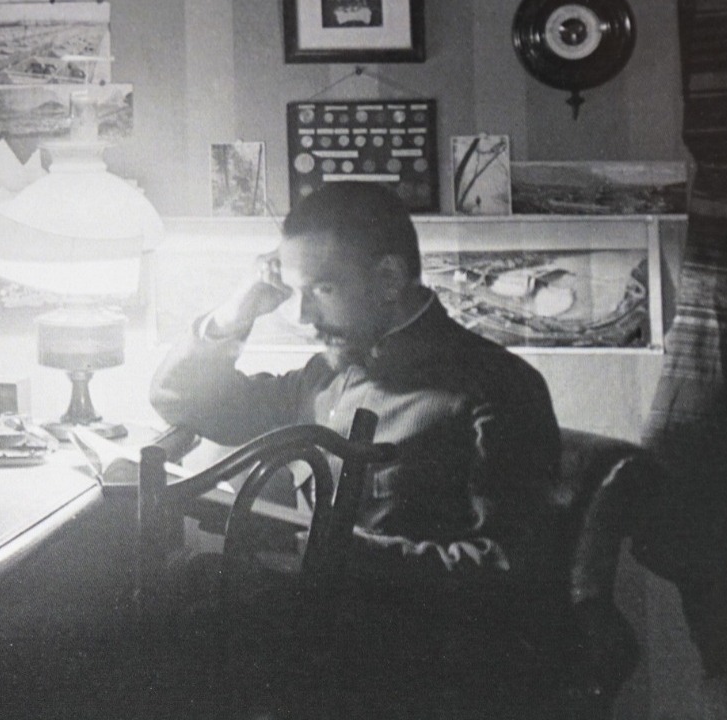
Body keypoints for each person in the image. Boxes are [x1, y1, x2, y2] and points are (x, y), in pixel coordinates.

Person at [149, 182, 564, 718]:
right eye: (296, 292)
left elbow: (510, 567)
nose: (303, 316)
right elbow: (180, 399)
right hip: (323, 645)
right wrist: (233, 316)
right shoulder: (328, 375)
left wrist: (342, 551)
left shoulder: (497, 387)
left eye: (321, 289)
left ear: (389, 278)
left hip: (421, 671)